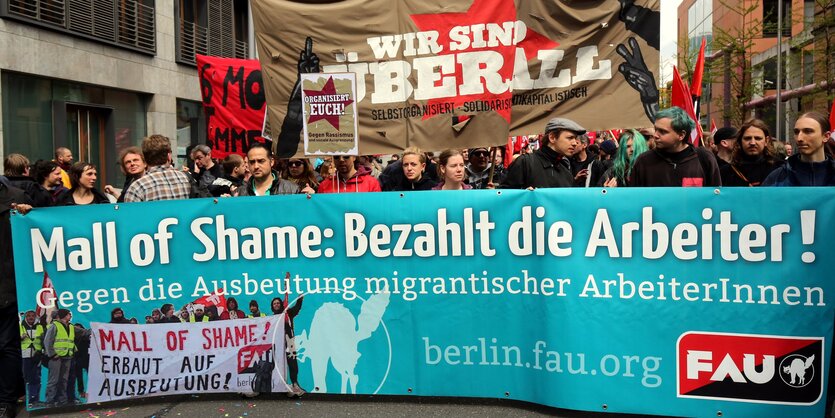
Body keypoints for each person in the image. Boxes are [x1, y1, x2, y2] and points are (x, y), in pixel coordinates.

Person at [629, 107, 721, 187]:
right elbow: (635, 199)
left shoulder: (704, 158)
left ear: (681, 135)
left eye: (662, 131)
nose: (655, 135)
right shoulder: (644, 161)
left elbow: (716, 196)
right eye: (656, 129)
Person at [0, 178, 31, 418]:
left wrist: (28, 215)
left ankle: (6, 400)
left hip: (7, 284)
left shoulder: (17, 197)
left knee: (7, 344)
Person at [501, 118, 585, 189]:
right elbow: (505, 198)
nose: (575, 143)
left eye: (575, 138)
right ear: (552, 137)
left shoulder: (566, 169)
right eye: (570, 138)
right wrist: (523, 196)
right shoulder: (525, 162)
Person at [763, 112, 835, 186]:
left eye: (808, 131)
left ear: (826, 136)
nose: (799, 138)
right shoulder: (778, 177)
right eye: (796, 132)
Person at [124, 135, 195, 202]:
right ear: (169, 156)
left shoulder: (137, 187)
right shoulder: (185, 179)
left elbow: (129, 214)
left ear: (145, 158)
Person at [720, 119, 783, 187]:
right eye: (747, 138)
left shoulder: (780, 169)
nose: (752, 143)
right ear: (740, 141)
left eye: (758, 138)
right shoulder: (726, 172)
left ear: (766, 141)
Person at [270, 288, 305, 397]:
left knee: (293, 364)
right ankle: (280, 386)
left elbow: (297, 308)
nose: (276, 304)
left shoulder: (288, 313)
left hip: (289, 343)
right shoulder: (271, 318)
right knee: (278, 365)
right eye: (274, 303)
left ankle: (295, 384)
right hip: (277, 345)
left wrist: (299, 299)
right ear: (272, 306)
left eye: (278, 303)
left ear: (281, 304)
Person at [43, 309, 74, 407]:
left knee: (64, 380)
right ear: (64, 315)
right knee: (54, 380)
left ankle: (62, 401)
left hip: (67, 356)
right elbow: (47, 341)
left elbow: (83, 333)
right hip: (56, 358)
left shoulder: (71, 326)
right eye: (69, 314)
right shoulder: (54, 326)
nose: (70, 315)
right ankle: (50, 401)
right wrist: (52, 354)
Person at [20, 310, 43, 407]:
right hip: (25, 356)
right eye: (28, 316)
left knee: (36, 377)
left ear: (35, 317)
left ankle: (35, 400)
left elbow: (43, 340)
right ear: (25, 317)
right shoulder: (20, 327)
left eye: (33, 316)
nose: (30, 317)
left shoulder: (40, 327)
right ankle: (28, 400)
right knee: (27, 378)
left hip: (36, 356)